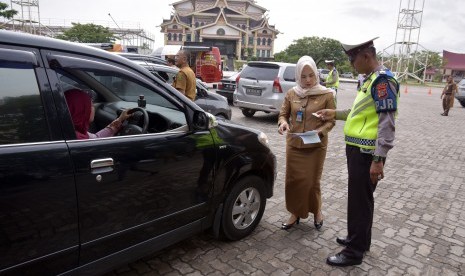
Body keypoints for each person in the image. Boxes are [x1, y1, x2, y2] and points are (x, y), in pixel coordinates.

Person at [316, 37, 400, 267]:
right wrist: (333, 114)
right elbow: (357, 112)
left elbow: (387, 123)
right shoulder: (370, 80)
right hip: (358, 150)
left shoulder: (383, 82)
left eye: (353, 59)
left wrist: (379, 159)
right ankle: (360, 240)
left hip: (367, 153)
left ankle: (353, 252)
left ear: (366, 56)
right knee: (362, 200)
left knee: (359, 202)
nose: (352, 64)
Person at [278, 56, 336, 231]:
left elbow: (331, 121)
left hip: (316, 146)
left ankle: (317, 211)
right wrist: (283, 123)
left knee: (312, 182)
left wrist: (320, 131)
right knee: (293, 181)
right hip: (294, 144)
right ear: (298, 76)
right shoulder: (292, 93)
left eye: (311, 75)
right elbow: (283, 114)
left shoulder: (326, 94)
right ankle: (295, 213)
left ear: (316, 74)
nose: (308, 80)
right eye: (303, 76)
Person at [65, 89, 132, 139]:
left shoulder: (69, 130)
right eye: (90, 105)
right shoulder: (78, 139)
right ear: (81, 110)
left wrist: (120, 119)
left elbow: (96, 138)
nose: (93, 107)